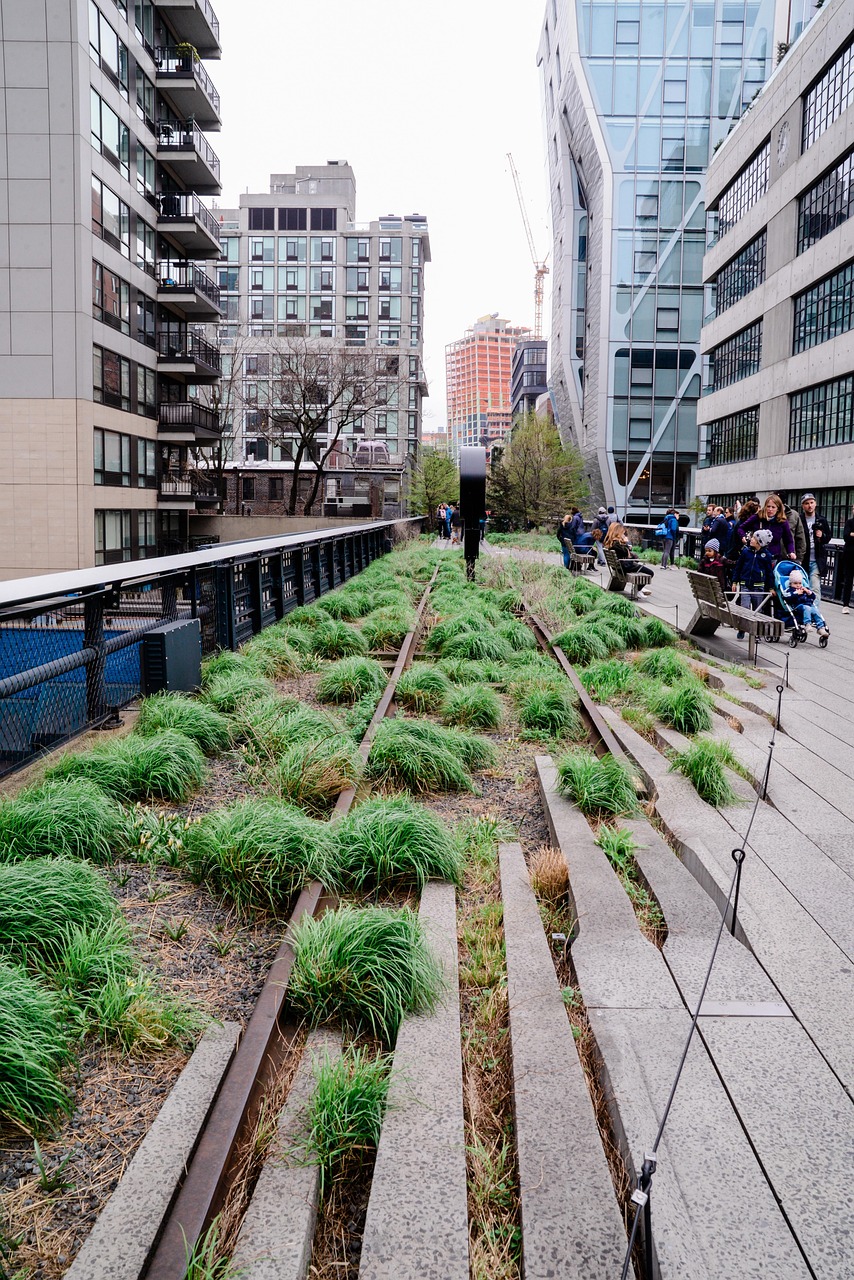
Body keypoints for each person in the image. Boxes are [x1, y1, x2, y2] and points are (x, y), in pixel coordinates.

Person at [732, 529, 774, 640]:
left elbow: (769, 572)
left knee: (757, 609)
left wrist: (770, 587)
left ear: (760, 542)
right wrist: (734, 581)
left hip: (758, 586)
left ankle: (756, 633)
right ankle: (742, 629)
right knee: (744, 608)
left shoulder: (766, 555)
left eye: (754, 538)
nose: (751, 539)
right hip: (745, 584)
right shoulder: (746, 552)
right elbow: (738, 567)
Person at [736, 494, 795, 564]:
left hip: (773, 557)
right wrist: (743, 536)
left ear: (778, 509)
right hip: (756, 556)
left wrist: (790, 552)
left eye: (773, 507)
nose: (770, 509)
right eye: (768, 506)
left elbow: (788, 540)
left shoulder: (782, 522)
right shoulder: (757, 517)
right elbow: (741, 528)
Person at [796, 493, 832, 600]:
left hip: (817, 559)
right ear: (803, 506)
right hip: (803, 559)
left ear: (815, 504)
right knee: (802, 586)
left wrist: (822, 536)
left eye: (811, 503)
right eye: (807, 503)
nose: (809, 505)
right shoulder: (799, 519)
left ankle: (814, 611)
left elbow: (828, 537)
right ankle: (805, 610)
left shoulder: (821, 519)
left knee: (815, 587)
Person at [604, 522, 653, 595]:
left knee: (638, 565)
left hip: (619, 567)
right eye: (622, 533)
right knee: (651, 573)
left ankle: (639, 588)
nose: (623, 535)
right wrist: (627, 544)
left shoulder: (611, 543)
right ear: (618, 532)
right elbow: (626, 554)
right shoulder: (616, 544)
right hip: (625, 567)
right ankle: (638, 589)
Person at [783, 568, 829, 639]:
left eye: (800, 583)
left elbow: (813, 597)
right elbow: (786, 597)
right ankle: (807, 624)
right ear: (790, 583)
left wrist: (808, 592)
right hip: (797, 607)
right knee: (807, 608)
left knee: (816, 610)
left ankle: (821, 627)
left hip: (808, 606)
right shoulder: (790, 590)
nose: (798, 585)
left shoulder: (804, 589)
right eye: (795, 583)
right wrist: (796, 593)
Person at [841, 505, 854, 615]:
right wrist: (850, 535)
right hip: (850, 556)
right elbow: (846, 536)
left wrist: (852, 534)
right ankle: (845, 605)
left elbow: (850, 535)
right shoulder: (849, 522)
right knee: (848, 581)